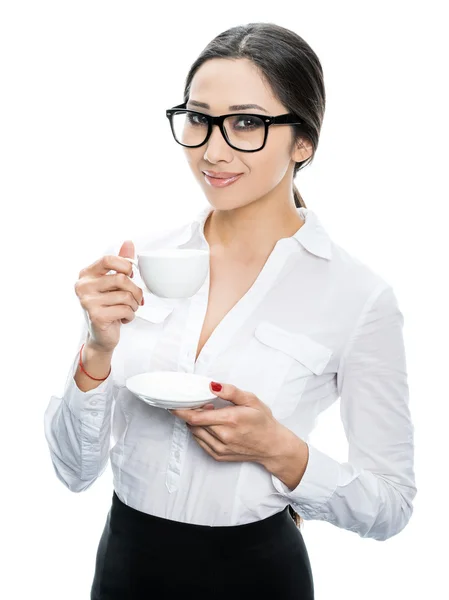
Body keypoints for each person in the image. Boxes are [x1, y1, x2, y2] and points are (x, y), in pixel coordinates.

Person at [43, 22, 417, 600]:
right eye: (198, 118)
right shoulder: (139, 264)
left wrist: (281, 451)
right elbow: (73, 471)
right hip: (124, 567)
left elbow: (391, 506)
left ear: (304, 142)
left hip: (257, 575)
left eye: (247, 122)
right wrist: (95, 352)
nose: (212, 150)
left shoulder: (357, 296)